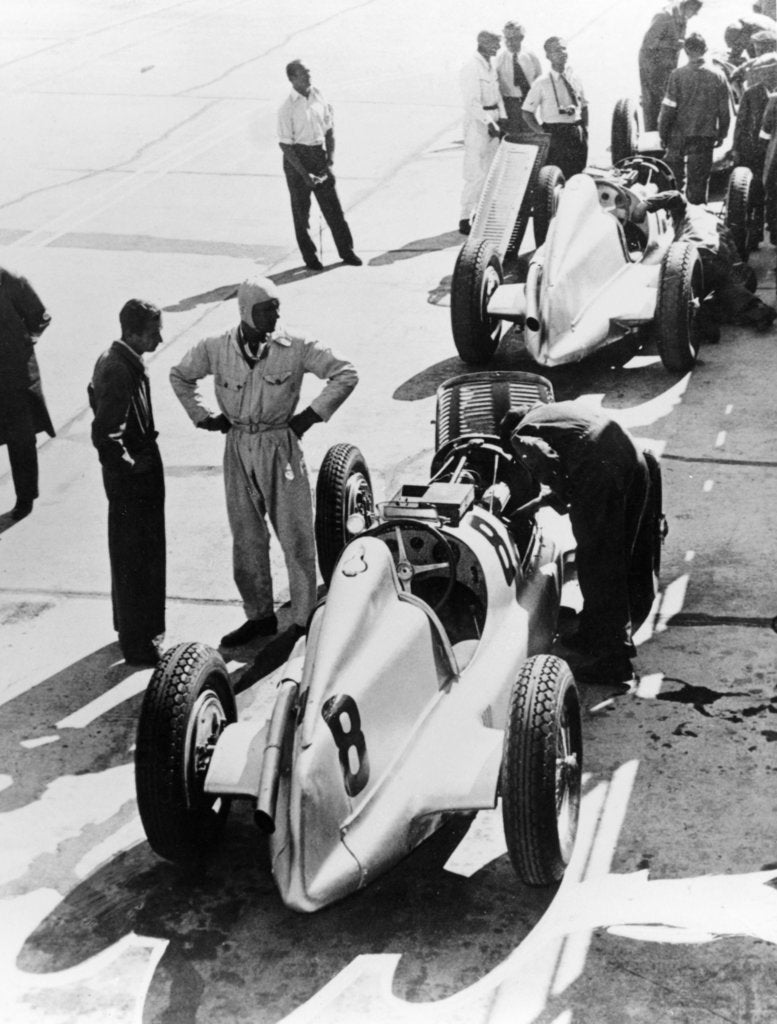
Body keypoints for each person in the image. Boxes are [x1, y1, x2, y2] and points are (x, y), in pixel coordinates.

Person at [169, 277, 358, 649]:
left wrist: (310, 417)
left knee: (296, 534)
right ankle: (259, 616)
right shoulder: (215, 347)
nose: (275, 315)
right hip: (238, 446)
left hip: (280, 447)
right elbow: (180, 375)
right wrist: (203, 416)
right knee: (246, 536)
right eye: (266, 309)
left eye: (276, 307)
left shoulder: (296, 345)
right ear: (245, 312)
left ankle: (303, 621)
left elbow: (346, 372)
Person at [499, 401, 657, 687]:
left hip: (602, 477)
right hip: (634, 464)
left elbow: (548, 464)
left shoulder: (520, 433)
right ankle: (593, 635)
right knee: (617, 557)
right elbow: (575, 458)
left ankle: (615, 662)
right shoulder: (557, 413)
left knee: (598, 565)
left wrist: (543, 495)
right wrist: (541, 503)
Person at [88, 300, 166, 666]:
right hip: (134, 481)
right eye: (153, 333)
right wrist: (133, 468)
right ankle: (138, 642)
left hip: (132, 474)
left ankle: (130, 627)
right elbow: (105, 433)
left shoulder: (119, 359)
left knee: (130, 555)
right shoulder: (119, 369)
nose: (159, 339)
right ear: (132, 333)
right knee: (139, 558)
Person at [637, 189, 776, 327]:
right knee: (722, 287)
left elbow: (675, 195)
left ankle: (699, 318)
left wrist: (644, 205)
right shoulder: (718, 223)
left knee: (677, 295)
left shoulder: (688, 210)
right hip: (717, 258)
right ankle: (756, 309)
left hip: (694, 254)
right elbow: (736, 261)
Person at [277, 60, 361, 271]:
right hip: (297, 158)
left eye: (308, 71)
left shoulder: (318, 96)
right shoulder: (287, 108)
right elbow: (285, 145)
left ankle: (347, 251)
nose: (308, 75)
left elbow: (329, 129)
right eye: (303, 73)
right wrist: (305, 175)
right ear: (292, 78)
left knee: (333, 208)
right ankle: (310, 258)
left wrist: (329, 160)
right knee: (301, 213)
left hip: (317, 154)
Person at [0, 267, 53, 521]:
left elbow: (40, 318)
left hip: (15, 376)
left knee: (21, 439)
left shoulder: (11, 281)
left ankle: (26, 497)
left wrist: (21, 344)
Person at [658, 33, 730, 205]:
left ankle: (675, 215)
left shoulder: (677, 75)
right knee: (698, 184)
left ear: (685, 51)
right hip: (704, 137)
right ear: (705, 49)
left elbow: (668, 109)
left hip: (678, 136)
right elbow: (724, 111)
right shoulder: (718, 76)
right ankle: (697, 216)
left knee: (674, 182)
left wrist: (663, 134)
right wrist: (722, 134)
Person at [522, 37, 589, 179]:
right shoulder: (541, 82)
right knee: (555, 178)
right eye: (556, 50)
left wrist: (585, 130)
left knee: (577, 175)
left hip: (576, 133)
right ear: (548, 56)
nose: (562, 53)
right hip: (555, 135)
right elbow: (527, 112)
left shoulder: (575, 78)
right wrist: (542, 134)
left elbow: (584, 106)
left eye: (564, 48)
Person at [459, 29, 505, 235]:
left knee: (489, 171)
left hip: (493, 120)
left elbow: (497, 95)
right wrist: (489, 123)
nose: (498, 47)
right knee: (475, 172)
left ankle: (481, 214)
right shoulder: (471, 66)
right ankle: (464, 216)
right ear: (483, 43)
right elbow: (471, 102)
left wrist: (502, 118)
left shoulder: (490, 65)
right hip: (478, 124)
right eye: (495, 43)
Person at [638, 0, 704, 132]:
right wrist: (673, 45)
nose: (695, 14)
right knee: (652, 102)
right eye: (694, 9)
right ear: (686, 5)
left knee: (667, 98)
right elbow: (648, 44)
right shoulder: (663, 17)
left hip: (668, 66)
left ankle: (664, 131)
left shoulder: (682, 20)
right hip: (652, 66)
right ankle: (653, 133)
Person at [495, 22, 541, 136]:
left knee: (530, 136)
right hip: (510, 105)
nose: (509, 43)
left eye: (513, 38)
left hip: (528, 103)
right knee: (513, 138)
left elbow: (538, 79)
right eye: (507, 39)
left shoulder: (530, 56)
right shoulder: (500, 59)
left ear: (521, 38)